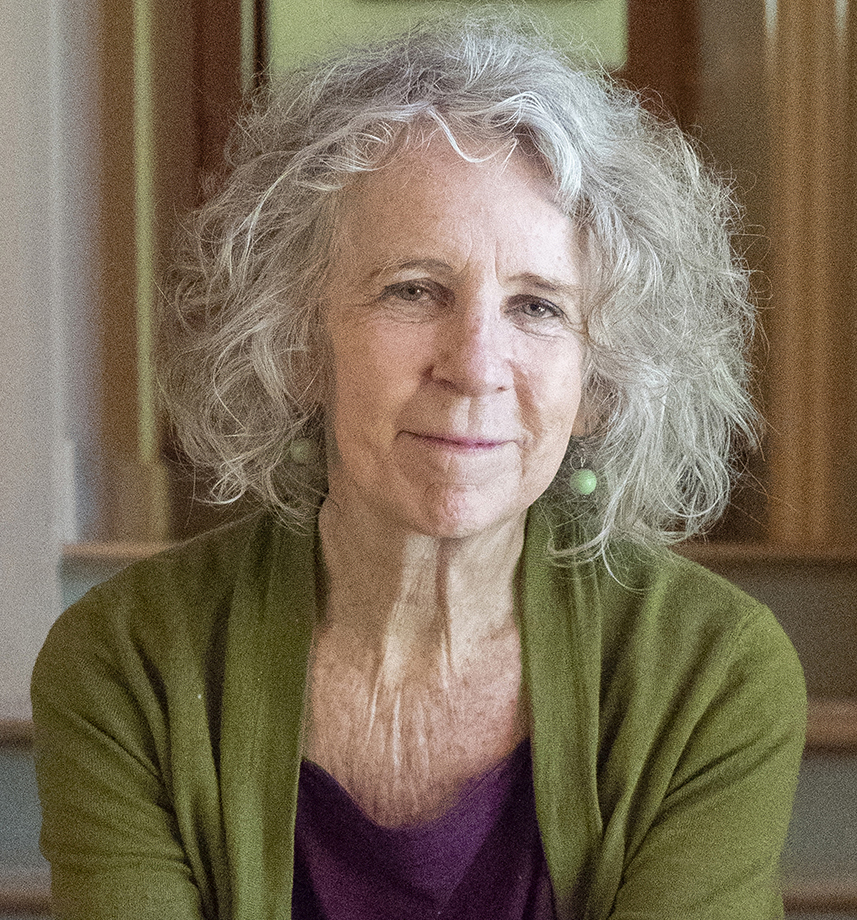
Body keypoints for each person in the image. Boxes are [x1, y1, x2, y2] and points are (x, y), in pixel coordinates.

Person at [32, 14, 806, 920]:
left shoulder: (712, 671)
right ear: (295, 346)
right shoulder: (128, 664)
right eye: (413, 290)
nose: (474, 365)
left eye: (538, 307)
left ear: (599, 384)